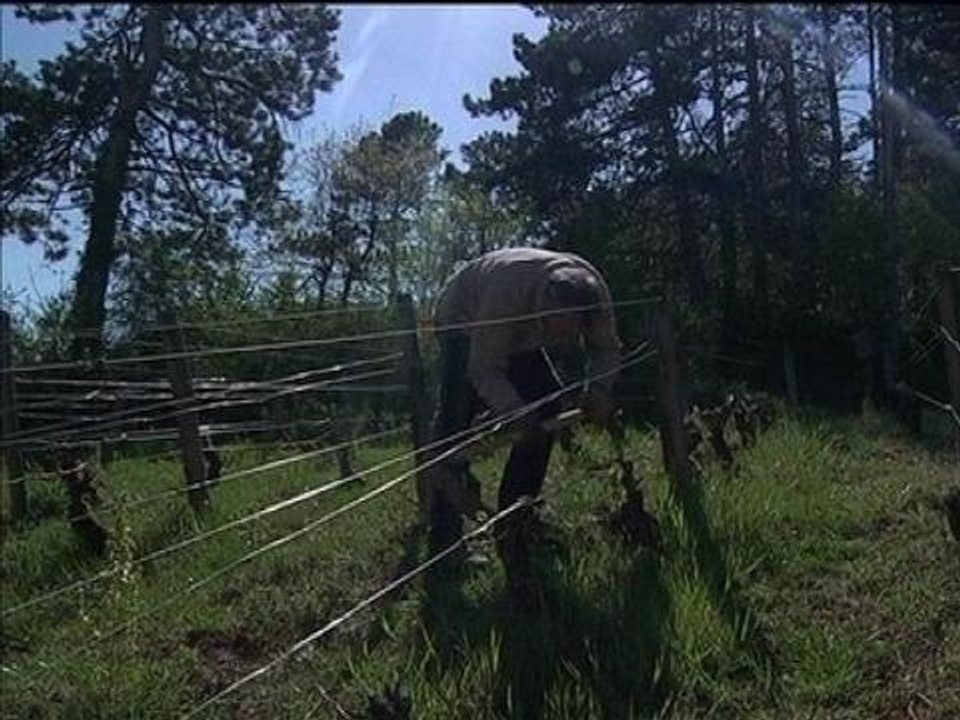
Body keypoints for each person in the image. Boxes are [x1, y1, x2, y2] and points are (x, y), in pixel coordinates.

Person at [427, 247, 622, 595]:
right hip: (464, 321)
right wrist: (515, 411)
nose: (561, 339)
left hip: (521, 334)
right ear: (543, 305)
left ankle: (517, 518)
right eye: (556, 327)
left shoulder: (596, 294)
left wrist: (601, 391)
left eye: (570, 331)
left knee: (547, 407)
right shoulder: (506, 292)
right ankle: (444, 547)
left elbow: (606, 348)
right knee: (454, 430)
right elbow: (484, 368)